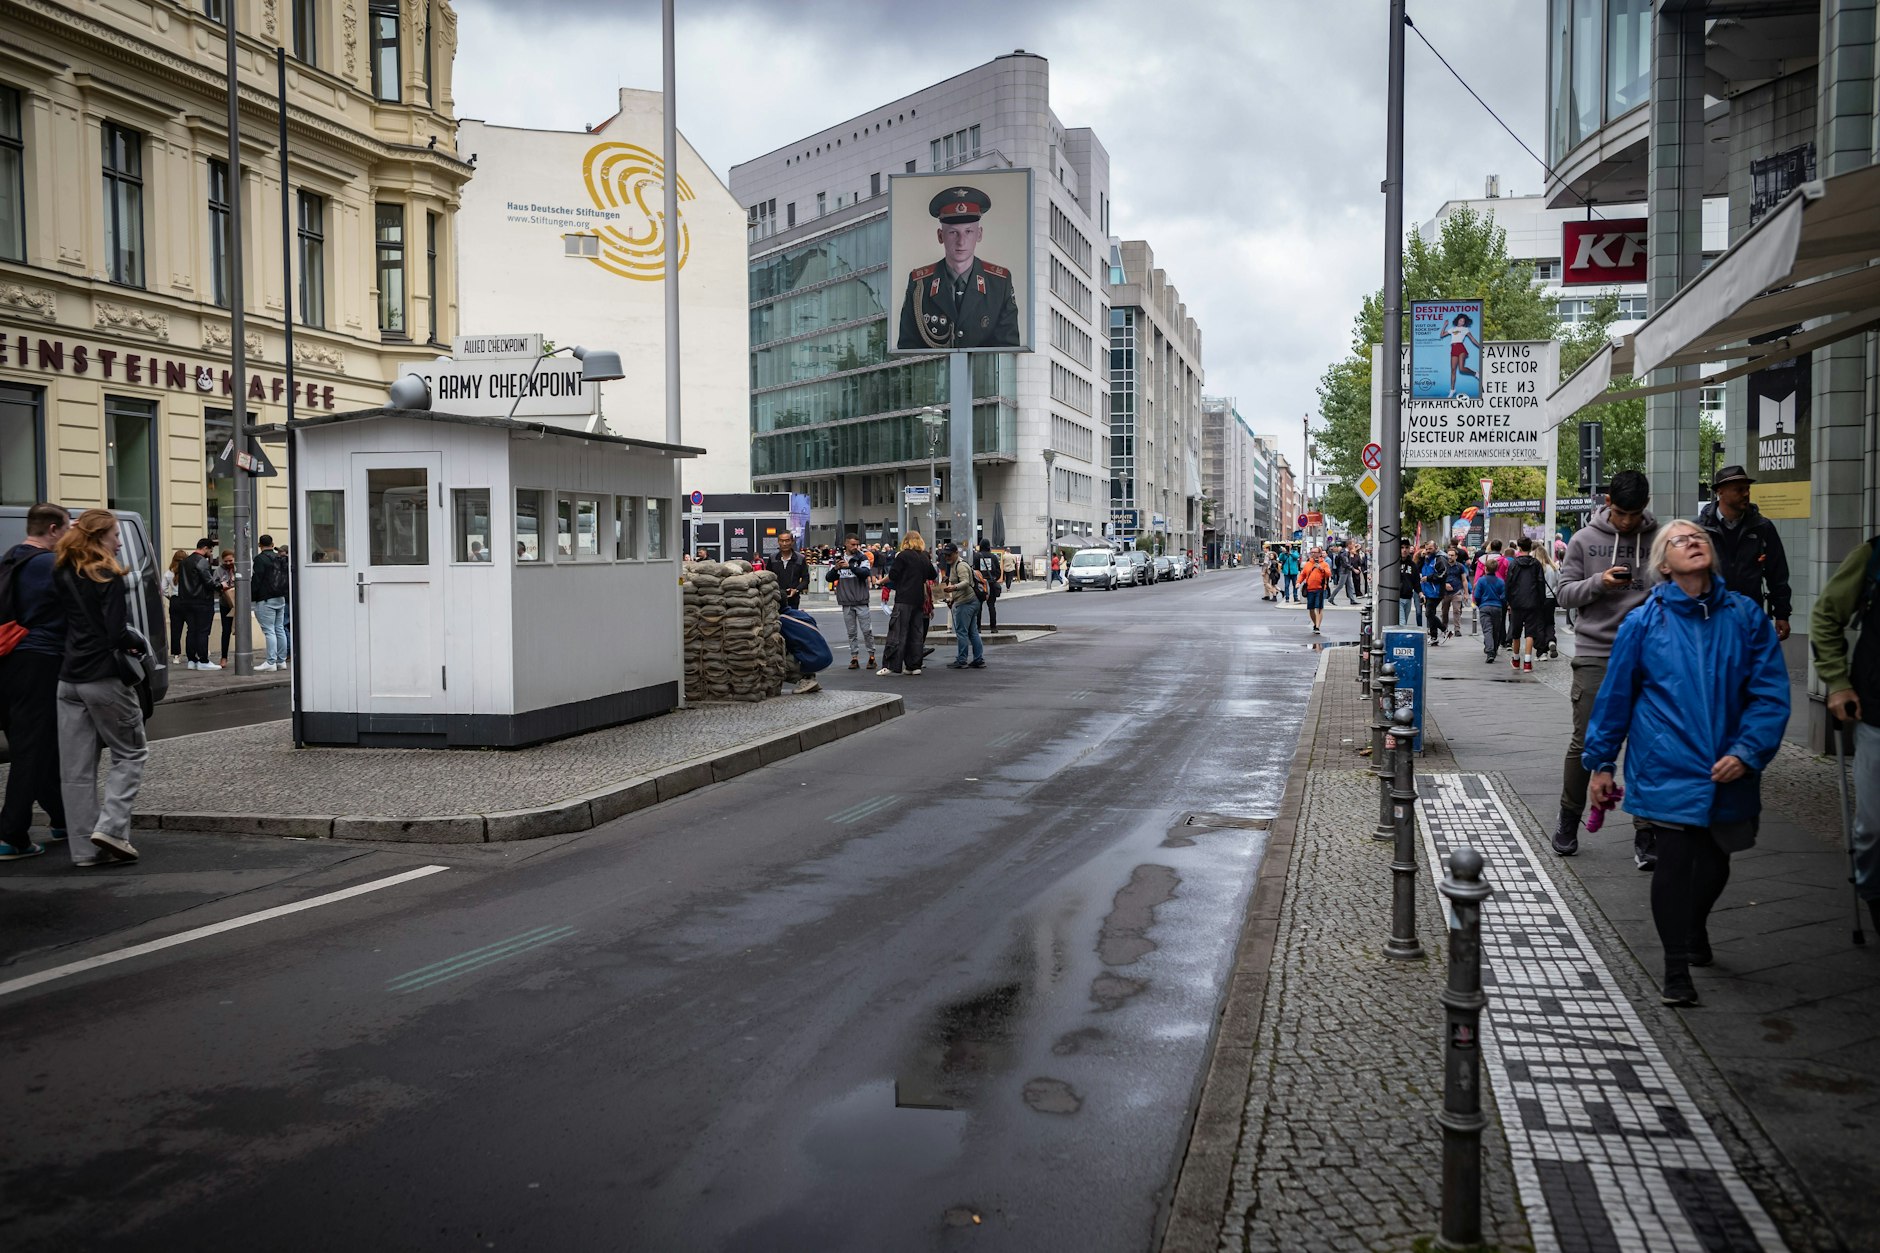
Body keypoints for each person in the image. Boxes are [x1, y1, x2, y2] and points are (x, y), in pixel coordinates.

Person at [1584, 519, 1789, 1006]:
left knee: (1717, 862)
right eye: (1679, 539)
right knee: (1673, 864)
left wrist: (1748, 750)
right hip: (1666, 762)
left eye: (1698, 536)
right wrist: (1602, 763)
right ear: (1662, 563)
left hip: (1729, 764)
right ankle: (1676, 969)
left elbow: (1770, 693)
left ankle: (1694, 926)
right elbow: (1616, 698)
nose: (1693, 541)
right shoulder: (1642, 622)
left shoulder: (1744, 616)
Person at [1553, 470, 1663, 862]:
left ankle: (1646, 832)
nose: (1627, 522)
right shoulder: (1584, 540)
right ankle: (1569, 819)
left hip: (1650, 655)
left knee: (1647, 742)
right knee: (1586, 743)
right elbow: (1564, 595)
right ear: (1606, 504)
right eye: (1620, 513)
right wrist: (1600, 582)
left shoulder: (1659, 539)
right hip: (1597, 653)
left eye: (1635, 514)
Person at [53, 509, 151, 867]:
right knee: (131, 753)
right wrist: (136, 644)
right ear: (98, 538)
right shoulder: (106, 574)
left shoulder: (62, 570)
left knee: (76, 771)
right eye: (114, 535)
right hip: (103, 678)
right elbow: (115, 633)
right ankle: (111, 829)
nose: (120, 541)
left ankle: (83, 852)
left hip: (68, 678)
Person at [1810, 537, 1880, 933]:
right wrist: (1836, 682)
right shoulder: (1873, 556)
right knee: (1873, 827)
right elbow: (1825, 615)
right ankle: (1874, 892)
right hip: (1877, 712)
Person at [0, 503, 71, 859]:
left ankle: (62, 818)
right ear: (54, 529)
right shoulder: (49, 565)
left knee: (40, 745)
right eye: (68, 529)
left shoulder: (11, 558)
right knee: (31, 749)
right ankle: (12, 834)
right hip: (40, 661)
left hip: (9, 659)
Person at [896, 185, 1021, 350]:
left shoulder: (999, 283)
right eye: (953, 232)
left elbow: (1008, 350)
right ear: (940, 236)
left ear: (979, 234)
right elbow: (908, 349)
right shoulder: (920, 284)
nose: (961, 241)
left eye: (968, 232)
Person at [1697, 464, 1792, 643]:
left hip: (1751, 618)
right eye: (1739, 490)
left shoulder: (1763, 528)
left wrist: (1782, 614)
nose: (1746, 494)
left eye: (1747, 489)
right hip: (1711, 619)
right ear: (1720, 492)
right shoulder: (1700, 530)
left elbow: (1777, 574)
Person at [878, 532, 936, 677]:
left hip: (903, 598)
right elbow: (932, 575)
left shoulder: (903, 556)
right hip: (919, 600)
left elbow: (893, 575)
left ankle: (891, 665)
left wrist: (882, 582)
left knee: (897, 631)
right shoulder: (924, 557)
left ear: (905, 541)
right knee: (916, 633)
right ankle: (914, 666)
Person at [826, 536, 877, 671]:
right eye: (853, 544)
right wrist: (836, 568)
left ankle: (872, 656)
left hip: (861, 600)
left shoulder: (862, 558)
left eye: (857, 544)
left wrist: (850, 566)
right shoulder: (839, 558)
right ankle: (854, 657)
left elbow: (865, 572)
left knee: (867, 630)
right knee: (851, 632)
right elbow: (828, 578)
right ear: (846, 544)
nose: (855, 547)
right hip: (846, 601)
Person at [1503, 537, 1546, 673]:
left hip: (1516, 602)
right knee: (1530, 632)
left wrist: (1508, 600)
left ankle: (1516, 660)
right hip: (1533, 602)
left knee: (1516, 632)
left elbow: (1508, 584)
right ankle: (1527, 662)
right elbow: (1541, 583)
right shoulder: (1536, 564)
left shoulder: (1514, 564)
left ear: (1519, 548)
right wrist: (1541, 600)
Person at [940, 544, 986, 670]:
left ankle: (962, 660)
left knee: (962, 632)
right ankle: (978, 659)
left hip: (966, 602)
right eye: (945, 555)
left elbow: (965, 582)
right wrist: (952, 597)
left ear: (956, 553)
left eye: (949, 554)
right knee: (973, 632)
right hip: (971, 601)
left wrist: (953, 587)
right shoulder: (956, 565)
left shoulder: (960, 566)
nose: (947, 557)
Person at [176, 537, 219, 671]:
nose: (211, 554)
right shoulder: (202, 562)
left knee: (191, 630)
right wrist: (221, 585)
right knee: (203, 631)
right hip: (202, 601)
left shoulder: (184, 562)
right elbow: (209, 582)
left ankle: (191, 660)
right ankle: (203, 660)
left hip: (185, 601)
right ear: (205, 548)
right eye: (210, 551)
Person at [251, 534, 290, 672]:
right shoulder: (279, 557)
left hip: (265, 598)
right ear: (272, 544)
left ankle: (271, 662)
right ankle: (281, 661)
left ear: (259, 545)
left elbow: (257, 579)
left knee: (269, 631)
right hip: (280, 597)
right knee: (279, 628)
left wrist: (252, 596)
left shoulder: (260, 559)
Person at [1472, 555, 1507, 663]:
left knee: (1487, 629)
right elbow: (1504, 596)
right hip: (1497, 607)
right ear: (1497, 569)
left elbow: (1477, 595)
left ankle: (1490, 650)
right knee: (1496, 630)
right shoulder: (1501, 581)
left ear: (1486, 569)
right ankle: (1494, 649)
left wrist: (1479, 603)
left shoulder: (1482, 581)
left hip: (1485, 606)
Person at [770, 532, 809, 612]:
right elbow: (768, 577)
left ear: (792, 541)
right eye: (782, 541)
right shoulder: (773, 558)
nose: (784, 544)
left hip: (793, 599)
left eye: (787, 541)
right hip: (775, 598)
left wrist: (796, 590)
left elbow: (806, 579)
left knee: (791, 621)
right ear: (778, 542)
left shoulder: (800, 559)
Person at [1299, 546, 1332, 635]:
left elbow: (1329, 574)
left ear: (1319, 553)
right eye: (1312, 552)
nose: (1313, 554)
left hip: (1320, 589)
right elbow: (1303, 574)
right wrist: (1298, 582)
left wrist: (1321, 568)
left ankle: (1317, 626)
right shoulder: (1308, 564)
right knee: (1311, 609)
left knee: (1318, 608)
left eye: (1315, 552)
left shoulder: (1324, 564)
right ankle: (1315, 623)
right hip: (1310, 588)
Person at [161, 548, 186, 663]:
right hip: (188, 600)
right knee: (193, 627)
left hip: (175, 601)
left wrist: (170, 597)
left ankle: (176, 655)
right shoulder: (188, 572)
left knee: (175, 629)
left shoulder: (168, 573)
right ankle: (196, 650)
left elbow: (163, 590)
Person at [1419, 543, 1447, 645]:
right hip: (1427, 591)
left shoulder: (1439, 559)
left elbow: (1443, 573)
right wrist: (1421, 558)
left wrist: (1429, 578)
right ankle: (1434, 637)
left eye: (1430, 548)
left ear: (1436, 548)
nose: (1428, 551)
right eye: (1426, 549)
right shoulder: (1426, 559)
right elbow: (1418, 569)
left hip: (1436, 591)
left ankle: (1444, 630)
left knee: (1429, 613)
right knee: (1431, 615)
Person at [972, 540, 1003, 631]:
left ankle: (978, 627)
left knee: (979, 606)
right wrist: (994, 579)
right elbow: (998, 571)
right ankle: (993, 627)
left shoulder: (977, 556)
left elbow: (975, 570)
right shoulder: (993, 557)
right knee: (991, 606)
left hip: (980, 584)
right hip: (991, 583)